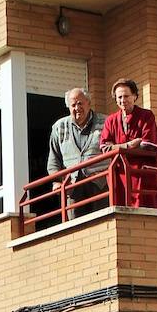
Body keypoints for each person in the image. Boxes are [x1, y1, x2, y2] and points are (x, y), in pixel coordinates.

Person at [99, 78, 157, 209]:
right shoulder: (110, 120)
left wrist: (116, 147)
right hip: (120, 175)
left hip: (142, 175)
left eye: (126, 96)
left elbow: (148, 145)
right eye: (119, 97)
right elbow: (104, 147)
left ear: (135, 96)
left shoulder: (146, 116)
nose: (123, 100)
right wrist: (129, 145)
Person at [46, 87, 107, 218]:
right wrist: (56, 181)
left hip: (100, 184)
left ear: (89, 103)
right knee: (75, 228)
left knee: (102, 222)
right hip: (73, 186)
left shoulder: (105, 122)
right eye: (73, 105)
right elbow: (54, 159)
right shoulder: (59, 127)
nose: (77, 108)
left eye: (80, 103)